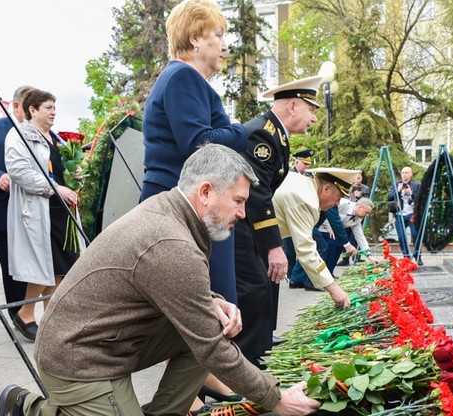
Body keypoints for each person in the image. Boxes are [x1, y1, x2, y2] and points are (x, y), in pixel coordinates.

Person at [0, 144, 320, 416]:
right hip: (77, 358)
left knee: (213, 325)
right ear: (205, 192)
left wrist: (213, 302)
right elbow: (209, 347)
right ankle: (26, 415)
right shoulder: (169, 240)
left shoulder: (174, 213)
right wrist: (277, 399)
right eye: (238, 201)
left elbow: (163, 282)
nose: (242, 213)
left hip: (108, 341)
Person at [141, 0, 247, 305]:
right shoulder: (183, 77)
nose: (224, 45)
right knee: (211, 312)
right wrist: (244, 130)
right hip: (188, 211)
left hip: (186, 208)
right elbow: (200, 143)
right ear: (195, 39)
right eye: (219, 34)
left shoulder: (182, 79)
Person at [234, 75, 322, 367]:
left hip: (247, 222)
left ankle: (260, 345)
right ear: (294, 106)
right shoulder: (264, 135)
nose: (314, 118)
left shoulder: (276, 135)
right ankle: (244, 362)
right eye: (312, 110)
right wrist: (274, 247)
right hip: (236, 224)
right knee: (254, 287)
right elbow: (258, 194)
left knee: (265, 283)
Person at [5, 89, 79, 341]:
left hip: (59, 210)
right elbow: (18, 171)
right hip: (39, 209)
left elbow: (60, 168)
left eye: (55, 108)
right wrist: (56, 188)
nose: (53, 112)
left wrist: (77, 174)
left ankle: (51, 321)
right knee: (45, 266)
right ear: (32, 110)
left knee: (60, 268)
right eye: (48, 107)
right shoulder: (19, 136)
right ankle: (26, 314)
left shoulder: (55, 138)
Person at [273, 167, 361, 308]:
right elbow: (306, 250)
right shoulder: (306, 200)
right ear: (326, 189)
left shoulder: (303, 183)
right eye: (338, 198)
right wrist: (333, 288)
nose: (337, 204)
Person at [0, 86, 32, 316]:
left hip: (31, 209)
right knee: (10, 265)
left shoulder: (37, 130)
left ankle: (29, 313)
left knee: (30, 263)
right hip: (3, 207)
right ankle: (17, 314)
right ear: (15, 106)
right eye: (29, 105)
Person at [320, 197, 375, 271]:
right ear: (359, 207)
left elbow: (360, 236)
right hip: (323, 228)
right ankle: (322, 273)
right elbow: (327, 210)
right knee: (331, 246)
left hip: (337, 231)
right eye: (366, 212)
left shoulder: (358, 217)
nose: (366, 215)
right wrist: (329, 226)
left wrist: (369, 255)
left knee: (340, 246)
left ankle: (330, 273)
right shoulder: (343, 204)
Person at [387, 166, 421, 262]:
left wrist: (411, 193)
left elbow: (420, 200)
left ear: (411, 174)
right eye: (402, 173)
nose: (404, 175)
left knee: (415, 234)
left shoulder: (416, 185)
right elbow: (389, 197)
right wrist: (398, 191)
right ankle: (406, 256)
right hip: (399, 214)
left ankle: (418, 255)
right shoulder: (396, 184)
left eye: (406, 173)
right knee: (401, 236)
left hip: (412, 214)